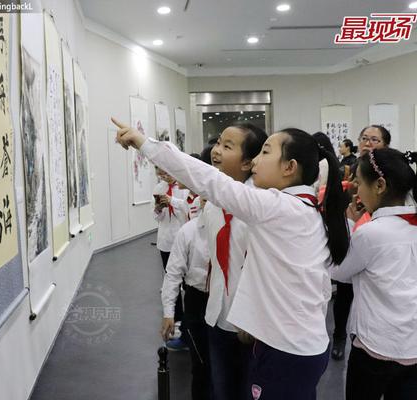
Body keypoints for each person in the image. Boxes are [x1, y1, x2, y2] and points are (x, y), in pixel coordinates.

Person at [112, 117, 349, 400]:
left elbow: (210, 181)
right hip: (299, 344)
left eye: (266, 152)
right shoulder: (308, 211)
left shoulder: (277, 207)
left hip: (284, 349)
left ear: (289, 168)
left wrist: (142, 142)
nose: (257, 160)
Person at [330, 149, 417, 400]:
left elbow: (340, 272)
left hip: (375, 347)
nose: (356, 189)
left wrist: (349, 223)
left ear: (379, 185)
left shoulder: (372, 233)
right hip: (411, 345)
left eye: (358, 181)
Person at [202, 124, 267, 400]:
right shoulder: (211, 205)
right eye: (218, 142)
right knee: (222, 390)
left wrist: (251, 315)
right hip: (217, 315)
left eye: (227, 146)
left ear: (247, 162)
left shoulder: (262, 207)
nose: (216, 150)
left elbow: (264, 270)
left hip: (252, 326)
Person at [332, 125, 391, 360]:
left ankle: (372, 338)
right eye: (364, 138)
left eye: (374, 139)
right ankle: (339, 336)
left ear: (385, 145)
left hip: (377, 235)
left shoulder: (391, 170)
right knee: (345, 290)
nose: (368, 143)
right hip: (351, 228)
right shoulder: (351, 167)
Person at [161, 197, 210, 400]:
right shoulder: (189, 231)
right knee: (201, 366)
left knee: (227, 367)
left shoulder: (241, 229)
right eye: (207, 199)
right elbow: (172, 274)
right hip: (197, 301)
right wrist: (168, 313)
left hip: (228, 302)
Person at [153, 167, 189, 350]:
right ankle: (177, 320)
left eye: (165, 172)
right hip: (165, 241)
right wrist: (158, 209)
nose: (163, 176)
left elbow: (189, 207)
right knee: (171, 281)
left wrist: (172, 200)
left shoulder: (184, 186)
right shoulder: (159, 187)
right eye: (160, 173)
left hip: (182, 240)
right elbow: (156, 217)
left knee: (187, 284)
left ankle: (189, 325)